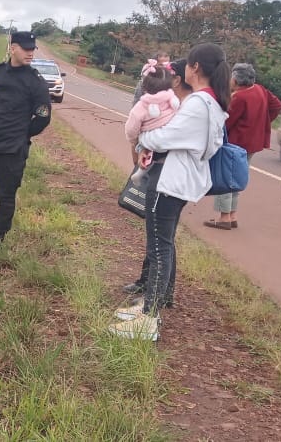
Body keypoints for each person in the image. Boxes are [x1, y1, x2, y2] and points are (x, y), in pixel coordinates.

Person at [110, 45, 229, 341]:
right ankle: (151, 306)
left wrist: (143, 137)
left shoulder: (198, 103)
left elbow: (165, 137)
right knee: (163, 243)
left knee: (159, 246)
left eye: (188, 64)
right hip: (182, 180)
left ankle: (148, 318)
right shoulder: (213, 104)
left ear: (196, 67)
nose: (185, 69)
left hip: (170, 181)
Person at [121, 58, 192, 297]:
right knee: (163, 238)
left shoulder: (186, 108)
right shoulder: (178, 104)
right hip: (166, 172)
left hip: (163, 174)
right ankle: (156, 287)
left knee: (160, 241)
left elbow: (140, 133)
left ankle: (154, 301)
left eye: (171, 73)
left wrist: (140, 142)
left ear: (179, 78)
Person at [0, 31, 52, 245]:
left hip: (13, 148)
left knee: (6, 196)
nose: (30, 53)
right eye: (25, 48)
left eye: (32, 49)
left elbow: (43, 116)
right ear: (13, 48)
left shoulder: (35, 81)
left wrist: (22, 132)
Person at [204, 63, 281, 230]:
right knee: (237, 177)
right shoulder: (260, 90)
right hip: (253, 143)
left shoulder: (239, 98)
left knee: (225, 177)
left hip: (236, 144)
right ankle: (232, 214)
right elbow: (277, 106)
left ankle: (224, 216)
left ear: (235, 80)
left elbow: (226, 122)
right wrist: (263, 121)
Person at [125, 60, 180, 185]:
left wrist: (134, 141)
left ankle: (141, 173)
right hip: (170, 142)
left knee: (144, 152)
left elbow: (131, 128)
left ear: (144, 88)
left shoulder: (142, 106)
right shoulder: (173, 100)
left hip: (150, 142)